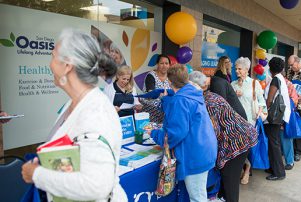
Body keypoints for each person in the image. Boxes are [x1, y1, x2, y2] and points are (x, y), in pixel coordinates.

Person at [21, 29, 127, 202]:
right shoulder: (75, 103)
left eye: (53, 56)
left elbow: (96, 185)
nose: (50, 64)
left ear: (67, 65)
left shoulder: (95, 114)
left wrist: (37, 174)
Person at [149, 64, 217, 202]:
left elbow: (174, 134)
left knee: (197, 198)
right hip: (204, 150)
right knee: (199, 194)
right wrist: (167, 100)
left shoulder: (181, 100)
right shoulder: (192, 93)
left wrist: (154, 133)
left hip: (194, 155)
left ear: (169, 81)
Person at [189, 71, 258, 202]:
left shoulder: (208, 102)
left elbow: (212, 132)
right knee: (226, 182)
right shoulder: (210, 96)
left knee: (229, 181)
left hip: (237, 140)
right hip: (241, 135)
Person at [231, 57, 267, 184]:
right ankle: (242, 167)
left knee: (247, 148)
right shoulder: (233, 84)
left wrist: (260, 111)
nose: (237, 71)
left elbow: (262, 101)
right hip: (236, 122)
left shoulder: (254, 84)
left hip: (250, 122)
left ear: (246, 70)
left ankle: (247, 170)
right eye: (236, 69)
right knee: (238, 148)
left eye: (240, 69)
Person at [264, 57, 291, 181]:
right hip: (280, 115)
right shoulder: (281, 78)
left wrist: (265, 111)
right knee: (273, 142)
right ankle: (273, 167)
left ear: (270, 67)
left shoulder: (275, 79)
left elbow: (270, 99)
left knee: (274, 143)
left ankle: (279, 172)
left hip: (273, 117)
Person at [141, 54, 171, 123]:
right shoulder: (151, 76)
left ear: (169, 65)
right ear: (157, 64)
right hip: (151, 112)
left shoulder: (170, 77)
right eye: (161, 63)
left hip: (165, 112)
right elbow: (152, 93)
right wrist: (165, 96)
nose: (164, 66)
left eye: (166, 63)